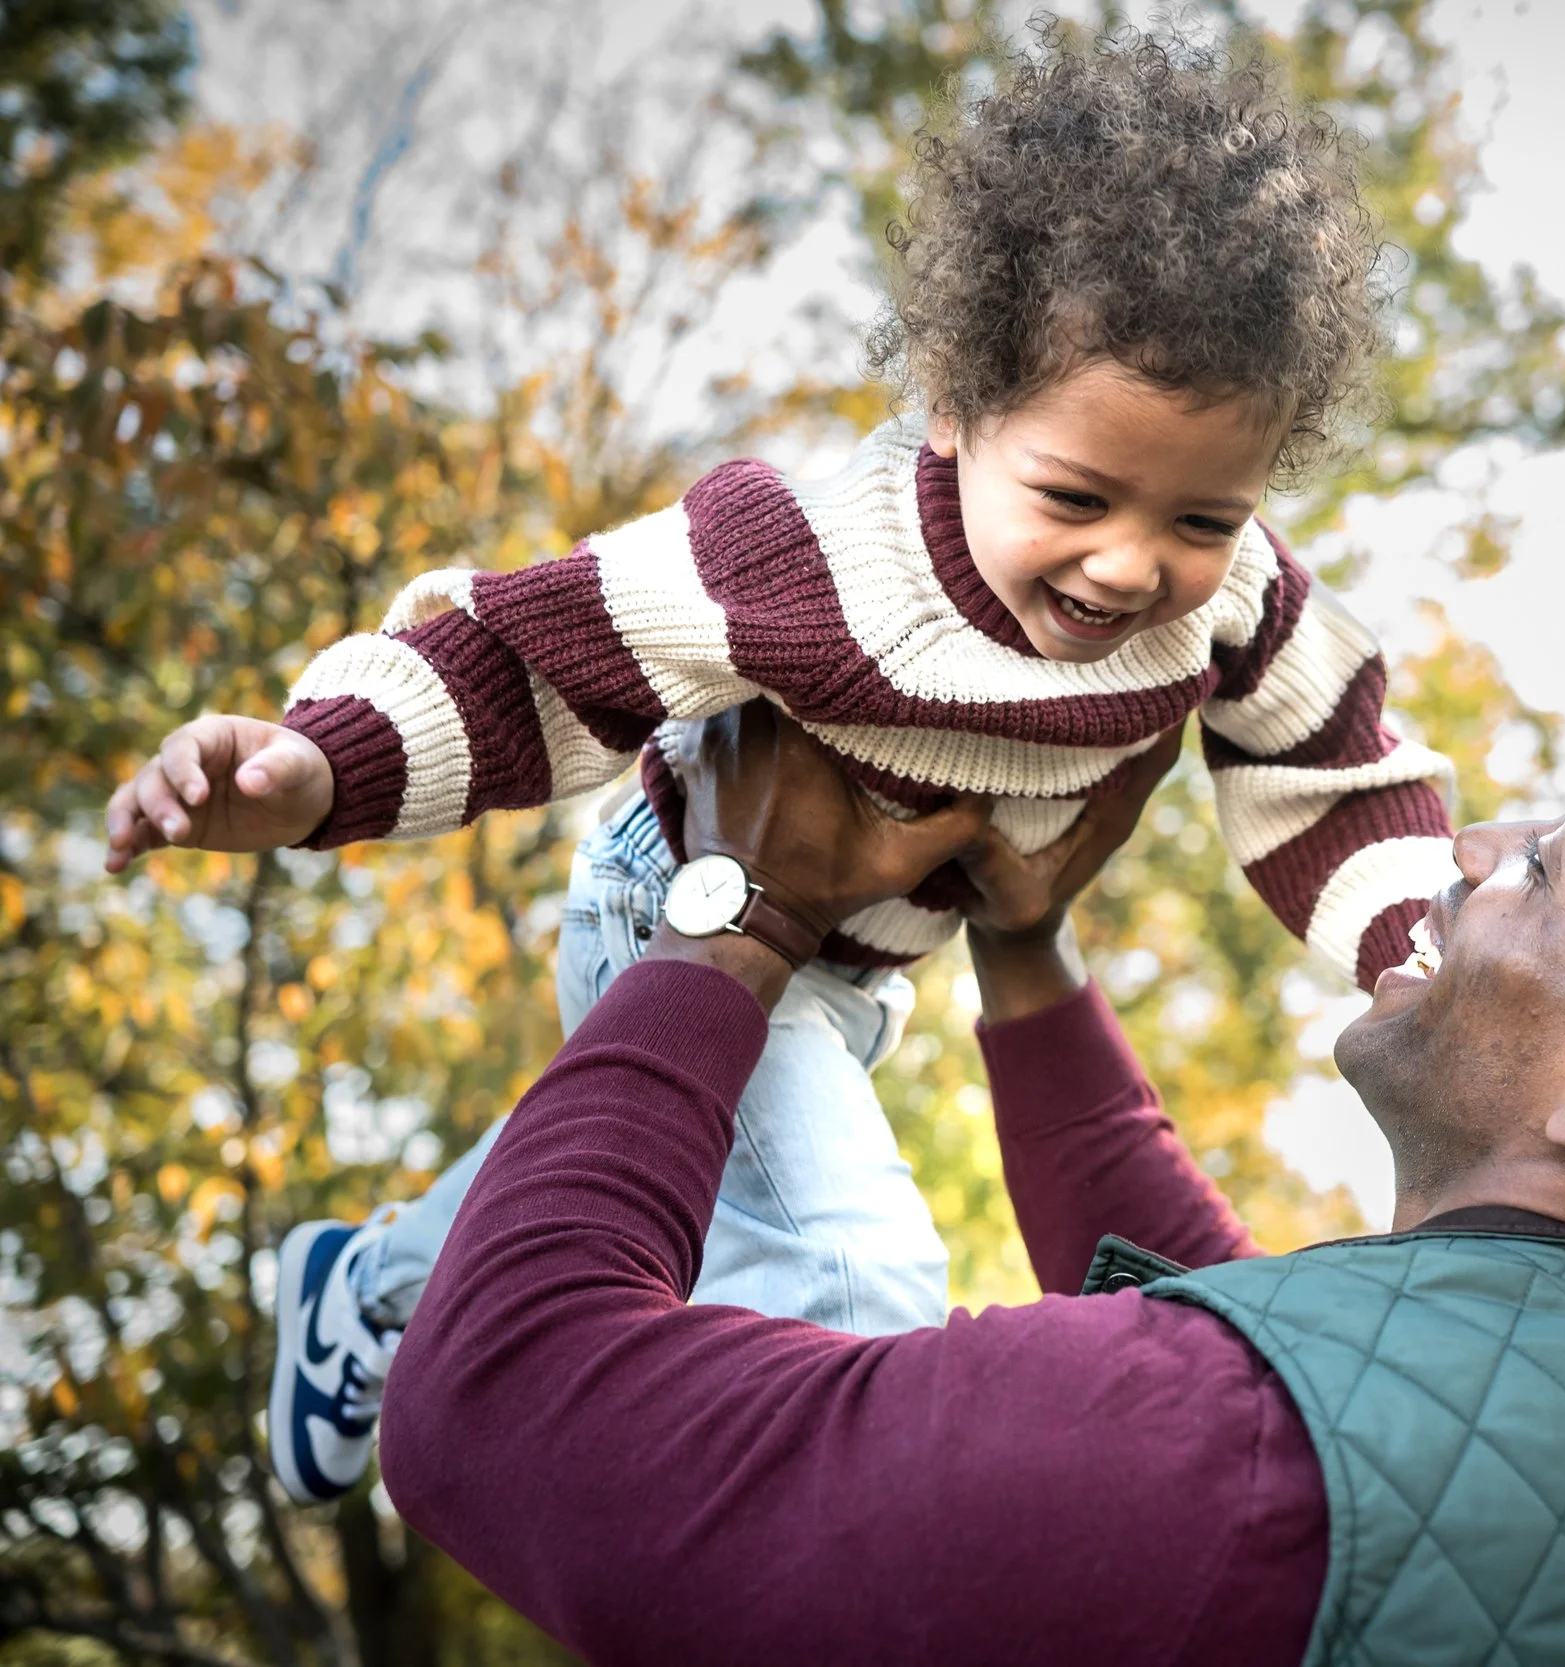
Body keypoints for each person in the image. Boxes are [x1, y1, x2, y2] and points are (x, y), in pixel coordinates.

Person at [96, 34, 1459, 1504]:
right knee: (855, 1268)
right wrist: (318, 765)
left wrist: (1421, 948)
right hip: (681, 890)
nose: (1134, 564)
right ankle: (814, 1566)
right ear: (956, 406)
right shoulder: (810, 563)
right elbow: (537, 653)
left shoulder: (1239, 597)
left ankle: (366, 1286)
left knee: (635, 1163)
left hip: (863, 962)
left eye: (1203, 515)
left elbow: (1333, 763)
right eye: (1075, 495)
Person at [380, 700, 1565, 1666]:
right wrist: (1024, 948)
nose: (1461, 848)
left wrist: (730, 914)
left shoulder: (1234, 1466)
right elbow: (1253, 1329)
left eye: (1539, 863)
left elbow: (510, 1414)